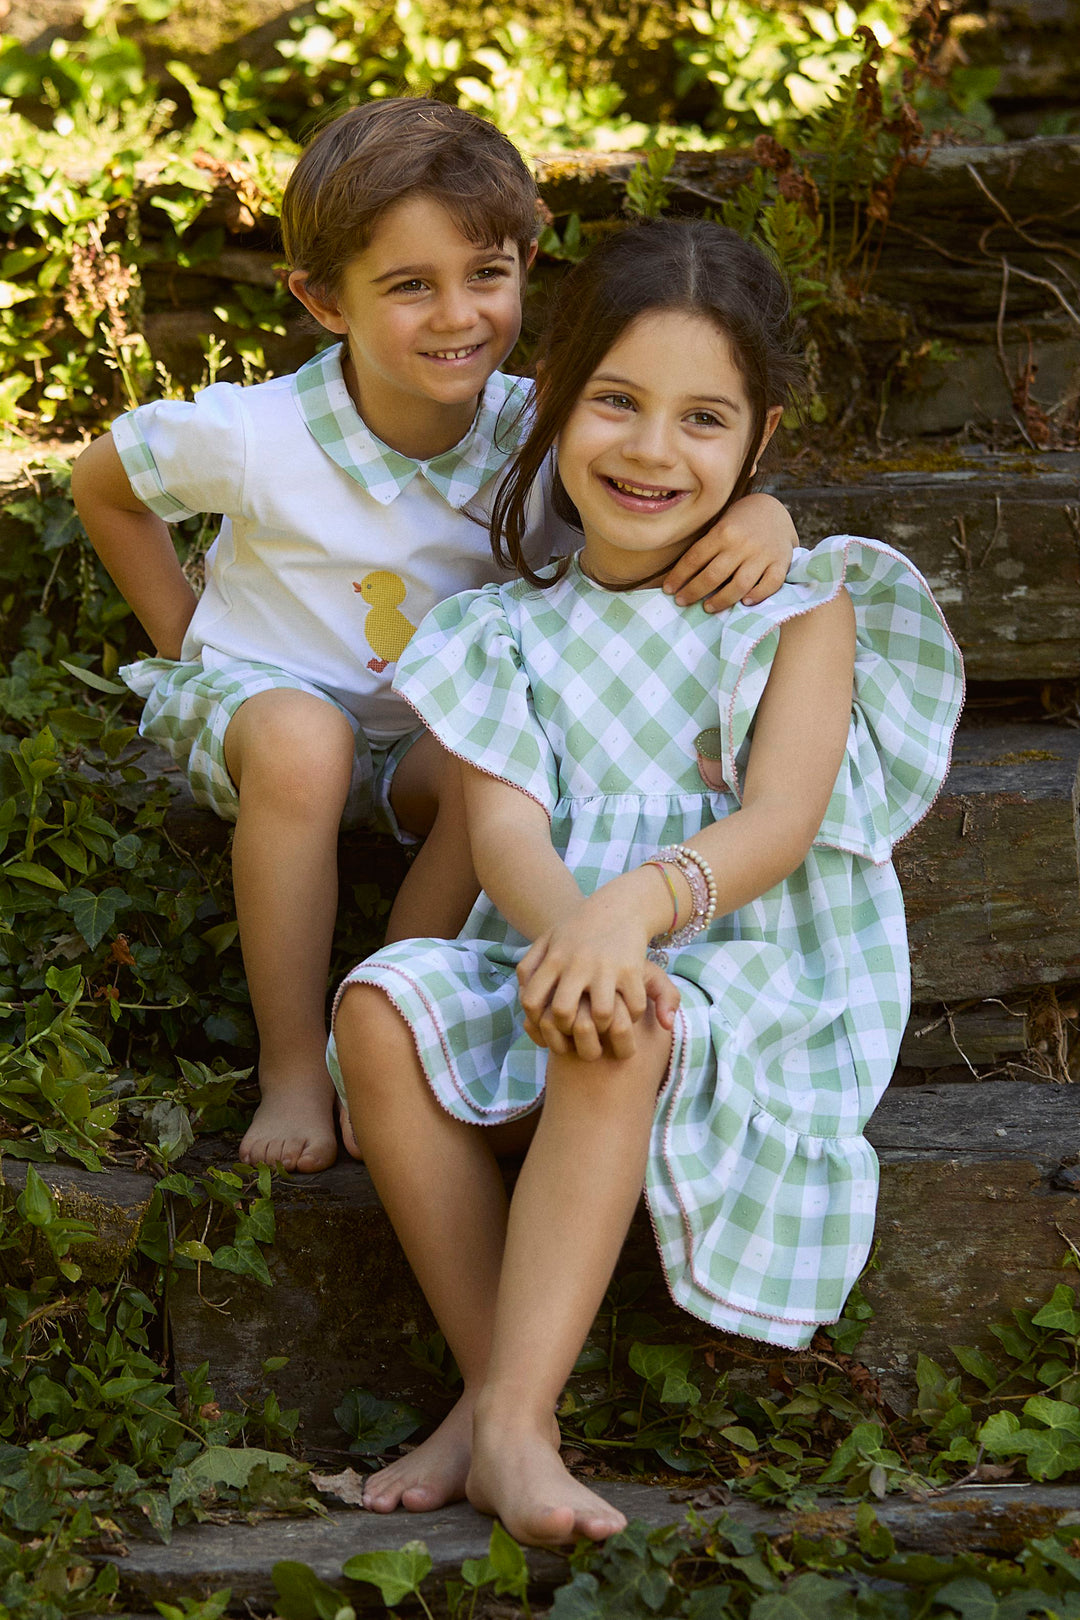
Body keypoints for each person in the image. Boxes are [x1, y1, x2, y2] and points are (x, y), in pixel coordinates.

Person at [328, 216, 964, 1548]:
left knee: (632, 1020)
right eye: (616, 402)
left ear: (758, 439)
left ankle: (499, 1416)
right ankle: (508, 1406)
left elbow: (781, 822)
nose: (651, 449)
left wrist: (632, 919)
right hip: (549, 952)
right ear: (559, 403)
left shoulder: (804, 602)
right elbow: (502, 836)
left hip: (735, 972)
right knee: (381, 1005)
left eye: (702, 420)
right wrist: (578, 936)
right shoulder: (499, 630)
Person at [70, 99, 800, 1176]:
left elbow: (655, 488)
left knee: (490, 755)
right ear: (323, 299)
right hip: (270, 717)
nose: (458, 315)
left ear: (527, 265)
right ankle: (291, 1065)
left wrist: (764, 511)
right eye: (410, 285)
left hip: (429, 739)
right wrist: (190, 644)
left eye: (487, 275)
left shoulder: (536, 430)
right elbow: (101, 485)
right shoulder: (252, 435)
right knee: (304, 745)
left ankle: (388, 1027)